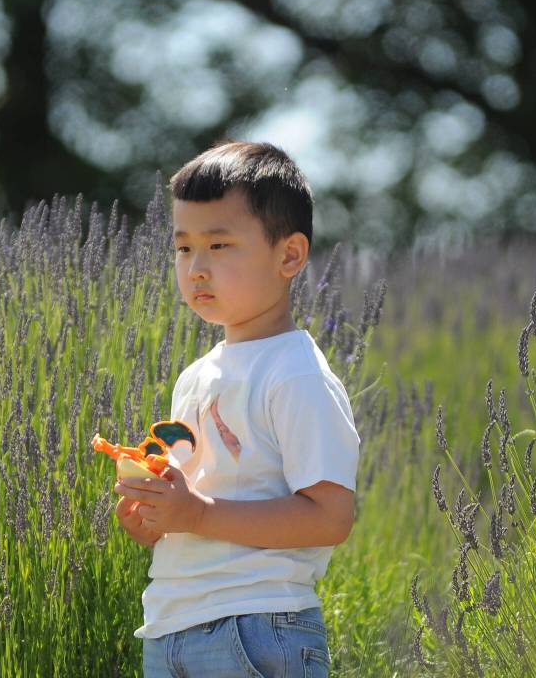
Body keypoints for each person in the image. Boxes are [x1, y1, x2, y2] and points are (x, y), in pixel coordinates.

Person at [113, 140, 360, 678]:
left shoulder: (295, 375)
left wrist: (198, 514)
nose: (196, 268)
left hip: (256, 627)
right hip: (171, 623)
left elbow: (331, 516)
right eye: (183, 249)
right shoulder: (196, 377)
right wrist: (155, 516)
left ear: (289, 255)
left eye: (220, 246)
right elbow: (199, 493)